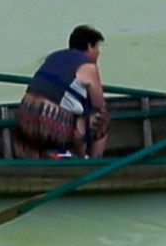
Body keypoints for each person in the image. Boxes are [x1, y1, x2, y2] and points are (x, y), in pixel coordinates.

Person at [15, 26, 106, 158]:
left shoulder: (54, 56)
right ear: (89, 46)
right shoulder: (88, 66)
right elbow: (98, 103)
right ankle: (93, 161)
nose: (98, 53)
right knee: (102, 117)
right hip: (51, 121)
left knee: (80, 112)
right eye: (97, 48)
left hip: (25, 115)